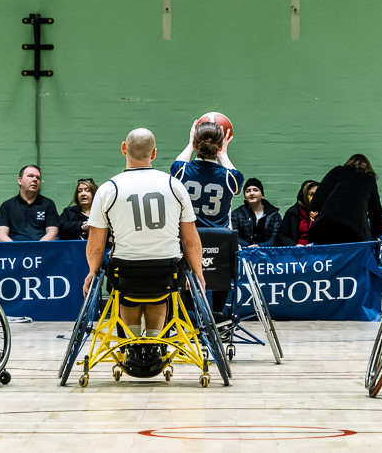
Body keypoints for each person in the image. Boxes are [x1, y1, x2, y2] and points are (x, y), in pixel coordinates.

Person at [84, 128, 202, 366]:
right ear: (154, 154)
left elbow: (96, 245)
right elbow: (190, 240)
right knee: (159, 290)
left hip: (126, 271)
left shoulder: (108, 189)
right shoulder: (175, 186)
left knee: (127, 288)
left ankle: (133, 345)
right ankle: (154, 344)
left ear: (124, 149)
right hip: (166, 270)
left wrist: (92, 272)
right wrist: (198, 273)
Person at [171, 120, 244, 317]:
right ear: (219, 147)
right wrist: (224, 154)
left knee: (185, 272)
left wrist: (189, 144)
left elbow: (176, 165)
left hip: (188, 240)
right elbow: (236, 177)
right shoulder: (231, 178)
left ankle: (192, 315)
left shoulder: (182, 171)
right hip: (219, 241)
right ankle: (218, 314)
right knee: (222, 273)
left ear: (195, 144)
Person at [307, 155, 382, 245]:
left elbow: (322, 190)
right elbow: (376, 212)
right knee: (350, 257)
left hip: (326, 225)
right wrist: (375, 234)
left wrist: (314, 209)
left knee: (325, 256)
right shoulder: (369, 181)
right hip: (353, 230)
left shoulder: (339, 171)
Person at [0, 165, 59, 242]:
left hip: (41, 250)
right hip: (14, 250)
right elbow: (1, 236)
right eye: (30, 176)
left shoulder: (48, 204)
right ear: (20, 180)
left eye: (38, 178)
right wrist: (17, 250)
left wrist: (36, 248)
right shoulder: (7, 205)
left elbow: (52, 234)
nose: (35, 179)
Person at [230, 178, 282, 247]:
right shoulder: (237, 214)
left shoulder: (274, 215)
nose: (252, 193)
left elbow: (275, 239)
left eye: (255, 190)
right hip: (243, 253)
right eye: (248, 191)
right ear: (245, 196)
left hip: (268, 254)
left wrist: (259, 246)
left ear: (262, 195)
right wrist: (248, 246)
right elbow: (234, 237)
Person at [274, 180, 318, 246]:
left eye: (318, 194)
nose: (315, 198)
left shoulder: (324, 211)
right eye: (311, 194)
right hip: (296, 252)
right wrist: (294, 245)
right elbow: (281, 237)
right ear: (304, 196)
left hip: (318, 251)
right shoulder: (293, 212)